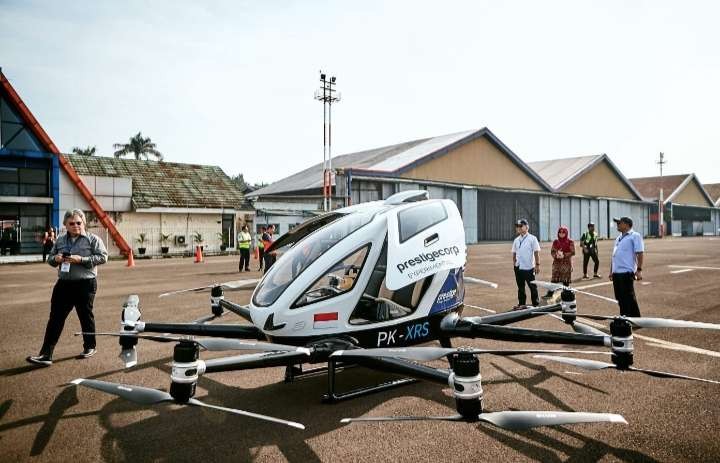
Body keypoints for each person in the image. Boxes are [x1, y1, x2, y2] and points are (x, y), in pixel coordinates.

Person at [27, 209, 108, 366]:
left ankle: (90, 346)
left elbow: (103, 257)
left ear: (84, 223)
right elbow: (50, 258)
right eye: (72, 223)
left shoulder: (93, 239)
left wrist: (81, 259)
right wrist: (55, 259)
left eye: (79, 222)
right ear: (65, 224)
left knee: (85, 316)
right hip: (63, 285)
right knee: (55, 318)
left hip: (85, 284)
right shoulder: (60, 240)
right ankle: (46, 354)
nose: (76, 226)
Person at [609, 216, 644, 317]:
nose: (617, 225)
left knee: (628, 297)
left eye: (619, 223)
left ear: (627, 224)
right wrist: (611, 271)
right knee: (620, 297)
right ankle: (632, 317)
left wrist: (639, 270)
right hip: (616, 273)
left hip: (626, 273)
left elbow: (640, 253)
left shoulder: (635, 236)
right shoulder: (618, 238)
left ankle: (627, 318)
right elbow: (614, 255)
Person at [511, 219, 541, 308]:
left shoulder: (532, 238)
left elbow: (536, 252)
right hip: (518, 267)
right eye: (517, 226)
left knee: (532, 286)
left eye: (521, 226)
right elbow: (514, 252)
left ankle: (535, 303)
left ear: (527, 227)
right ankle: (522, 303)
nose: (518, 228)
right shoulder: (516, 240)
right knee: (520, 287)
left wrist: (537, 265)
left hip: (528, 267)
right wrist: (514, 263)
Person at [546, 225, 575, 297]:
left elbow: (573, 252)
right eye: (560, 232)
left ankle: (566, 295)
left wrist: (564, 255)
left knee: (565, 281)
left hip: (566, 264)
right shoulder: (556, 242)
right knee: (554, 279)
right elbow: (552, 251)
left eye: (563, 233)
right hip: (557, 263)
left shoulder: (570, 242)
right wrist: (556, 255)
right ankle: (550, 293)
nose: (561, 234)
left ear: (566, 233)